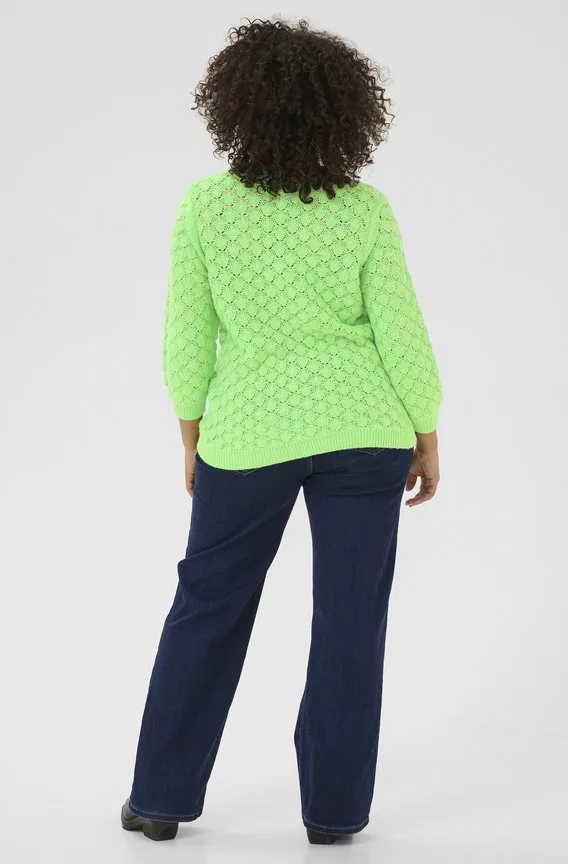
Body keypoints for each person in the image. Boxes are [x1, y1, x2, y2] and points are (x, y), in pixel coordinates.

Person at [121, 17, 443, 846]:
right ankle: (334, 814)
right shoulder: (364, 211)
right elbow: (401, 330)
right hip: (367, 431)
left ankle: (158, 801)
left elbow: (187, 336)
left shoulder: (206, 207)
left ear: (233, 106)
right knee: (351, 620)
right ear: (345, 113)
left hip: (246, 433)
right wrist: (426, 429)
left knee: (208, 605)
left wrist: (190, 430)